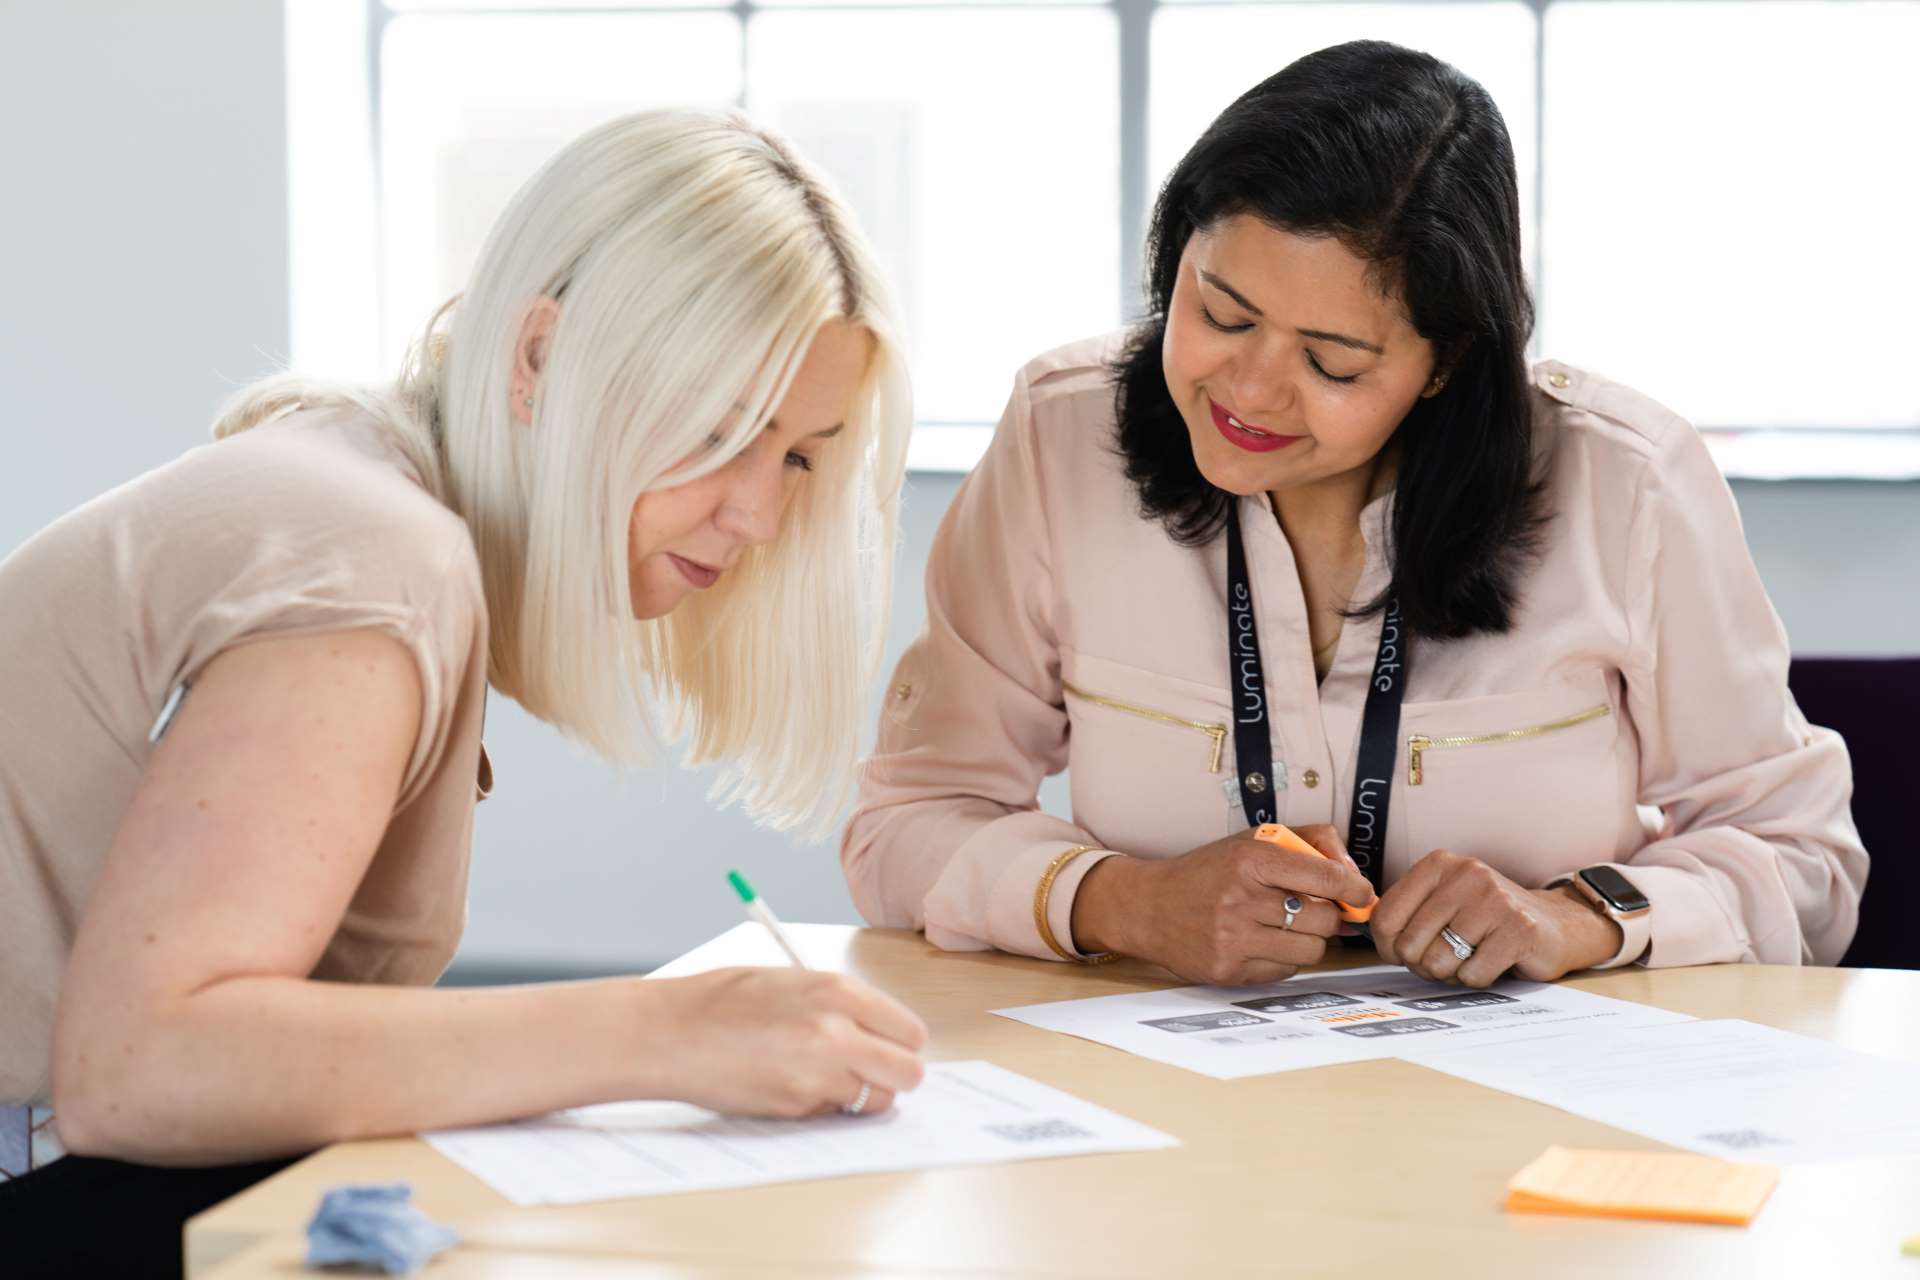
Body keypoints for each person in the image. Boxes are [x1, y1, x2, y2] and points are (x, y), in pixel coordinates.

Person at [0, 110, 926, 1271]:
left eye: (797, 452)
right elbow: (138, 1069)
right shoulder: (377, 560)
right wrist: (664, 1025)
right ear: (537, 358)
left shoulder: (355, 476)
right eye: (720, 426)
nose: (760, 511)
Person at [843, 41, 1865, 992]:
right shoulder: (1059, 440)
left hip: (1525, 1113)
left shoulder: (1626, 481)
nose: (1249, 389)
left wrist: (1573, 919)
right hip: (1165, 1102)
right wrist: (1127, 900)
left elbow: (1802, 858)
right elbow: (909, 822)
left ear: (1446, 362)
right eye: (1219, 313)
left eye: (1333, 362)